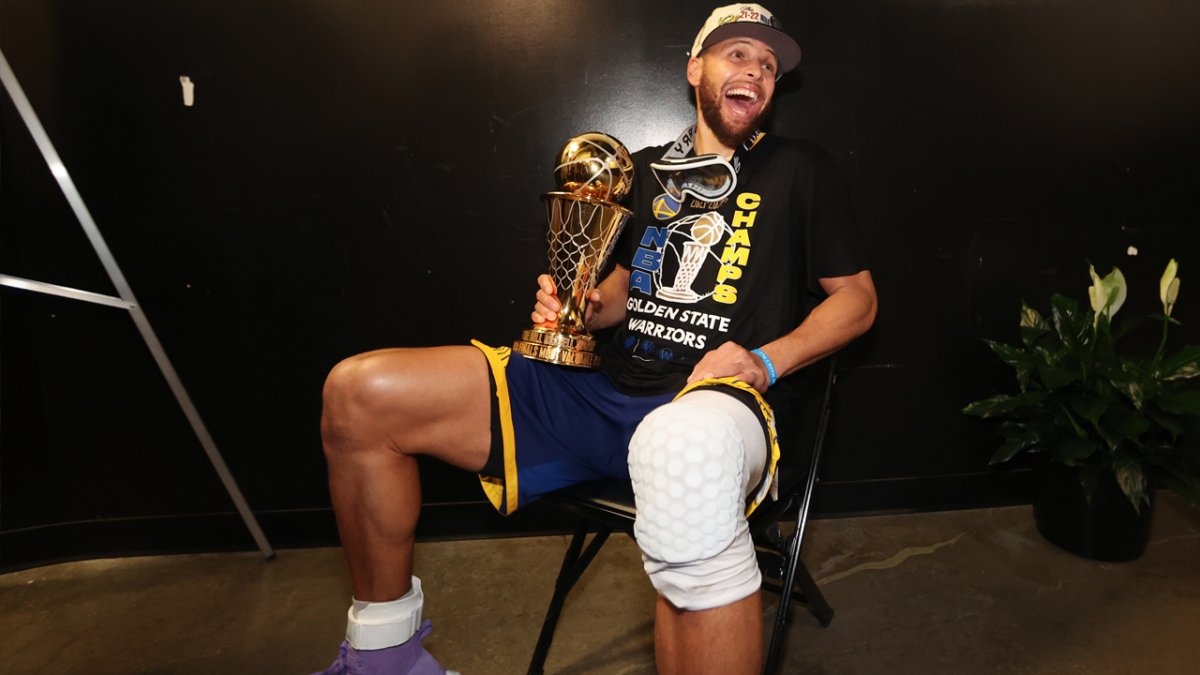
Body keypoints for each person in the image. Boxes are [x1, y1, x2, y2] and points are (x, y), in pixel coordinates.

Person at [315, 4, 877, 674]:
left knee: (682, 451)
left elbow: (858, 300)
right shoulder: (638, 171)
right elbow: (618, 295)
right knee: (359, 392)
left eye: (768, 64)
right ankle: (386, 658)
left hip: (715, 405)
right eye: (737, 54)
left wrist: (763, 360)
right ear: (695, 68)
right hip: (602, 395)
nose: (756, 70)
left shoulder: (799, 168)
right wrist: (577, 305)